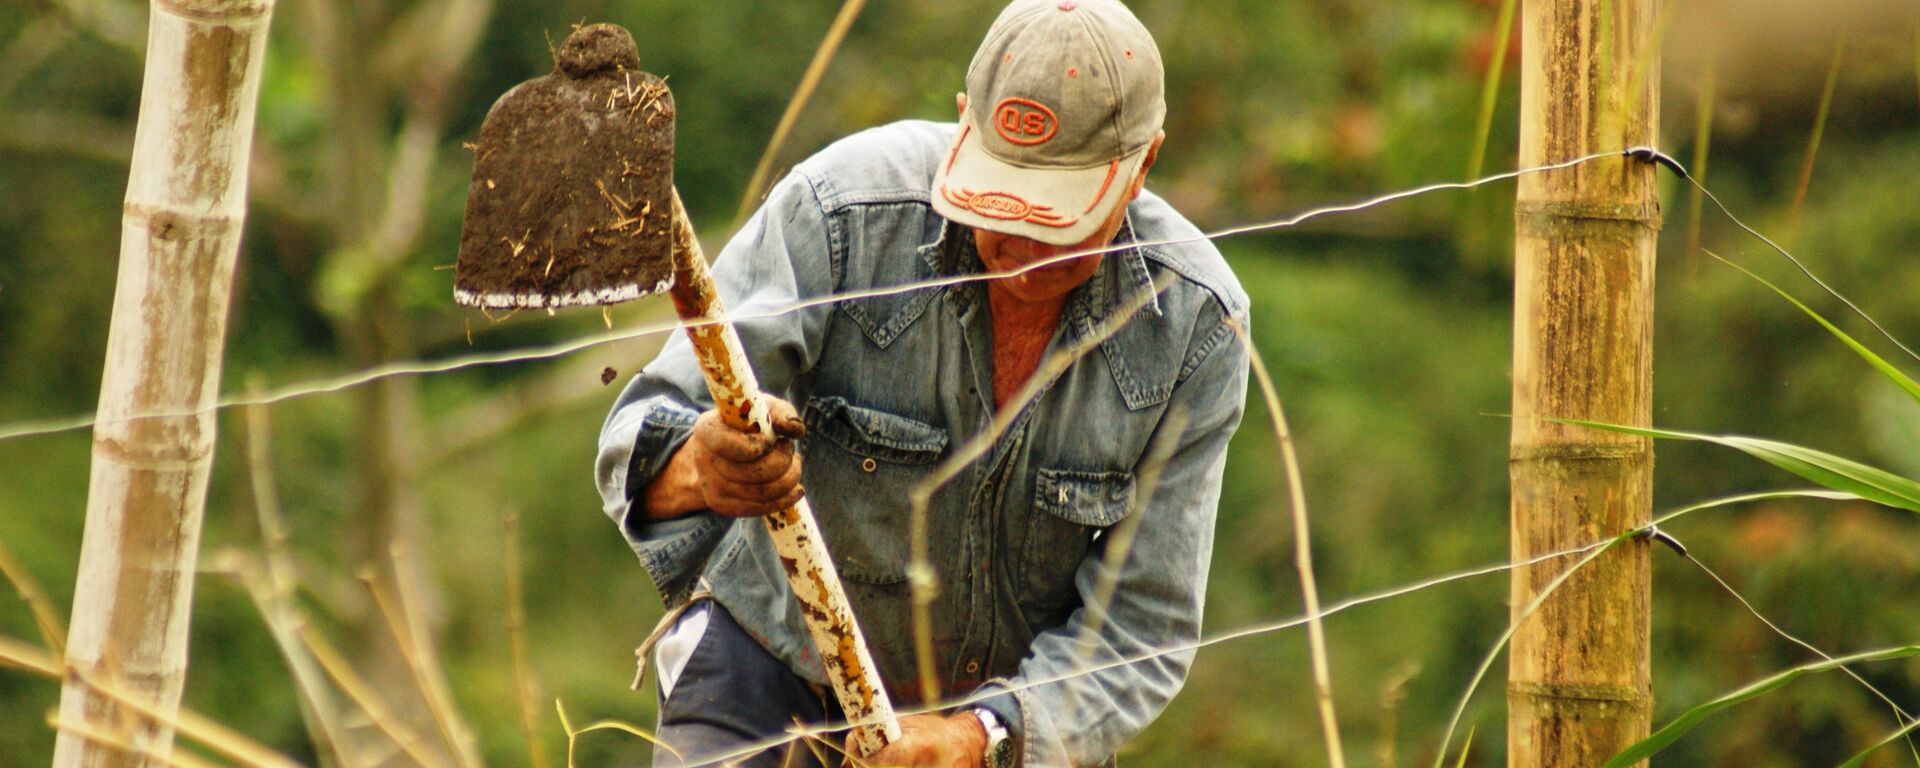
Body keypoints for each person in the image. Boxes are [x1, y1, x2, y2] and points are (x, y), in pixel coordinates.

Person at [595, 1, 1248, 765]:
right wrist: (704, 466)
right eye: (998, 202)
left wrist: (981, 737)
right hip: (766, 674)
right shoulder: (842, 212)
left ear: (1142, 167)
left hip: (1003, 732)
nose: (1020, 243)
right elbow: (633, 444)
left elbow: (1142, 628)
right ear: (967, 124)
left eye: (1060, 217)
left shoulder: (1196, 325)